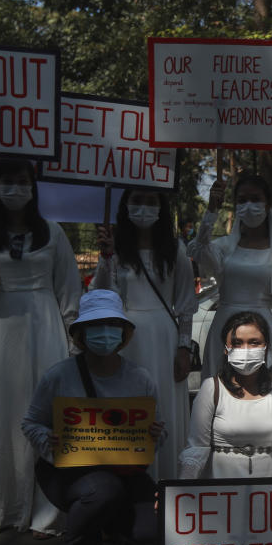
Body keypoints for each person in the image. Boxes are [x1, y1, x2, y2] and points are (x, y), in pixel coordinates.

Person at [0, 159, 81, 536]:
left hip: (44, 326)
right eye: (7, 182)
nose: (15, 188)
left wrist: (74, 343)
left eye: (22, 181)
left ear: (34, 187)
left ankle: (46, 503)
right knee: (0, 410)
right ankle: (4, 500)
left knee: (43, 411)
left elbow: (69, 290)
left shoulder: (54, 233)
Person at [22, 290, 164, 545]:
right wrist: (49, 440)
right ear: (81, 334)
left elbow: (153, 439)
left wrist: (155, 434)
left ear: (124, 333)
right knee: (103, 489)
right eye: (95, 326)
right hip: (68, 473)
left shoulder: (141, 378)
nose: (104, 333)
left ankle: (108, 527)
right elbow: (31, 423)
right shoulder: (58, 375)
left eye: (112, 325)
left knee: (150, 532)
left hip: (124, 470)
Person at [88, 189, 197, 480]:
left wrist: (184, 348)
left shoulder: (176, 250)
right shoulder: (116, 247)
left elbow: (186, 305)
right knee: (125, 406)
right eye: (136, 201)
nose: (144, 207)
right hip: (123, 337)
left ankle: (165, 485)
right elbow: (101, 293)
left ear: (162, 208)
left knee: (162, 408)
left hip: (164, 337)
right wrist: (107, 256)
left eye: (151, 201)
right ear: (125, 206)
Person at [187, 174, 272, 379]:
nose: (249, 205)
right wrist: (211, 210)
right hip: (224, 328)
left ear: (268, 204)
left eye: (255, 199)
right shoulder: (224, 247)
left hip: (263, 329)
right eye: (242, 200)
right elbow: (198, 249)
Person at [178, 311, 272, 479]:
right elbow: (197, 448)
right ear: (226, 349)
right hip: (222, 494)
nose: (246, 350)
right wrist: (181, 492)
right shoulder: (211, 389)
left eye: (254, 342)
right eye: (237, 343)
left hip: (269, 493)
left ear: (266, 347)